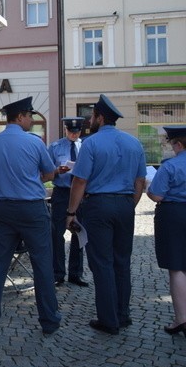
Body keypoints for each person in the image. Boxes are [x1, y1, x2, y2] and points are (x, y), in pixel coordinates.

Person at [0, 96, 61, 335]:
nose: (32, 120)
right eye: (30, 116)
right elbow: (48, 173)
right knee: (42, 263)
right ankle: (49, 320)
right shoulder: (35, 143)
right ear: (21, 116)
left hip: (3, 207)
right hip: (32, 208)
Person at [66, 94, 146, 335]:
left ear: (100, 118)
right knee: (122, 262)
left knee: (102, 263)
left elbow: (80, 181)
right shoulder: (134, 143)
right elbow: (140, 181)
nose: (90, 120)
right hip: (124, 205)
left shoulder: (91, 143)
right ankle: (123, 314)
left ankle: (108, 320)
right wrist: (129, 205)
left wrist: (70, 212)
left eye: (92, 116)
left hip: (98, 206)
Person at [148, 125, 186, 336]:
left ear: (178, 144)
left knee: (177, 266)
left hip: (174, 215)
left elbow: (157, 195)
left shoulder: (170, 166)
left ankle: (181, 318)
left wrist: (148, 189)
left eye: (172, 144)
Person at [48, 116, 88, 287]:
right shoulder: (55, 147)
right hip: (62, 192)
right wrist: (57, 170)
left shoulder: (86, 147)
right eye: (71, 131)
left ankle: (75, 273)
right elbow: (46, 171)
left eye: (77, 131)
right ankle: (58, 273)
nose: (74, 134)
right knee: (57, 234)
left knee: (79, 233)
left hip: (81, 194)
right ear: (65, 130)